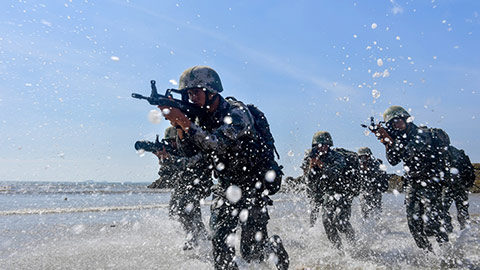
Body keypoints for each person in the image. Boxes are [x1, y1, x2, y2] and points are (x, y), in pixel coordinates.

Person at [159, 66, 289, 270]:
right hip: (226, 185)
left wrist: (185, 122)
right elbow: (189, 152)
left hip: (253, 184)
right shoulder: (198, 117)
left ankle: (272, 246)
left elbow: (216, 143)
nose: (192, 98)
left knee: (251, 252)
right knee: (219, 242)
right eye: (189, 93)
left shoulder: (237, 113)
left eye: (196, 92)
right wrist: (179, 125)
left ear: (211, 91)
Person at [374, 105, 449, 251]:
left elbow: (409, 153)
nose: (396, 125)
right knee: (414, 225)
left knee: (432, 224)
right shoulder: (399, 138)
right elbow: (393, 160)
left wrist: (390, 140)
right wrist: (386, 142)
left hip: (430, 181)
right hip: (412, 184)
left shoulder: (422, 133)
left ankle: (447, 254)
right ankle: (428, 255)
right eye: (392, 124)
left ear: (406, 118)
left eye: (397, 121)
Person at [154, 126, 211, 250]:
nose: (172, 144)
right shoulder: (172, 152)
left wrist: (171, 159)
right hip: (185, 184)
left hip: (200, 182)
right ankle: (200, 236)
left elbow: (191, 162)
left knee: (185, 206)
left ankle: (194, 238)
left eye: (173, 140)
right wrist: (163, 160)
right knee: (175, 210)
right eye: (169, 142)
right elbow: (167, 176)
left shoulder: (191, 148)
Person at [302, 131, 359, 249]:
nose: (322, 147)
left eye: (325, 144)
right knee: (327, 221)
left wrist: (320, 164)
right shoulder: (311, 158)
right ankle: (339, 250)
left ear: (329, 145)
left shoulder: (338, 157)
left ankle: (354, 246)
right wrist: (311, 167)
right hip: (328, 194)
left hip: (344, 192)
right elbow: (309, 182)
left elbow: (335, 174)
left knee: (340, 222)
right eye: (319, 145)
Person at [443, 145, 476, 232]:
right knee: (463, 212)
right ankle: (466, 233)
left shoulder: (442, 153)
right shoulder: (458, 152)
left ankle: (448, 231)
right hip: (462, 187)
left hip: (449, 187)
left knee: (442, 210)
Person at [357, 147, 389, 220]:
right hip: (364, 191)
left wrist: (367, 170)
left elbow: (378, 176)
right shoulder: (358, 165)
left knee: (376, 211)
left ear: (368, 156)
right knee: (364, 212)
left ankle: (378, 227)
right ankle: (365, 225)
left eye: (364, 156)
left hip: (376, 191)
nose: (363, 158)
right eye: (361, 157)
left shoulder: (376, 164)